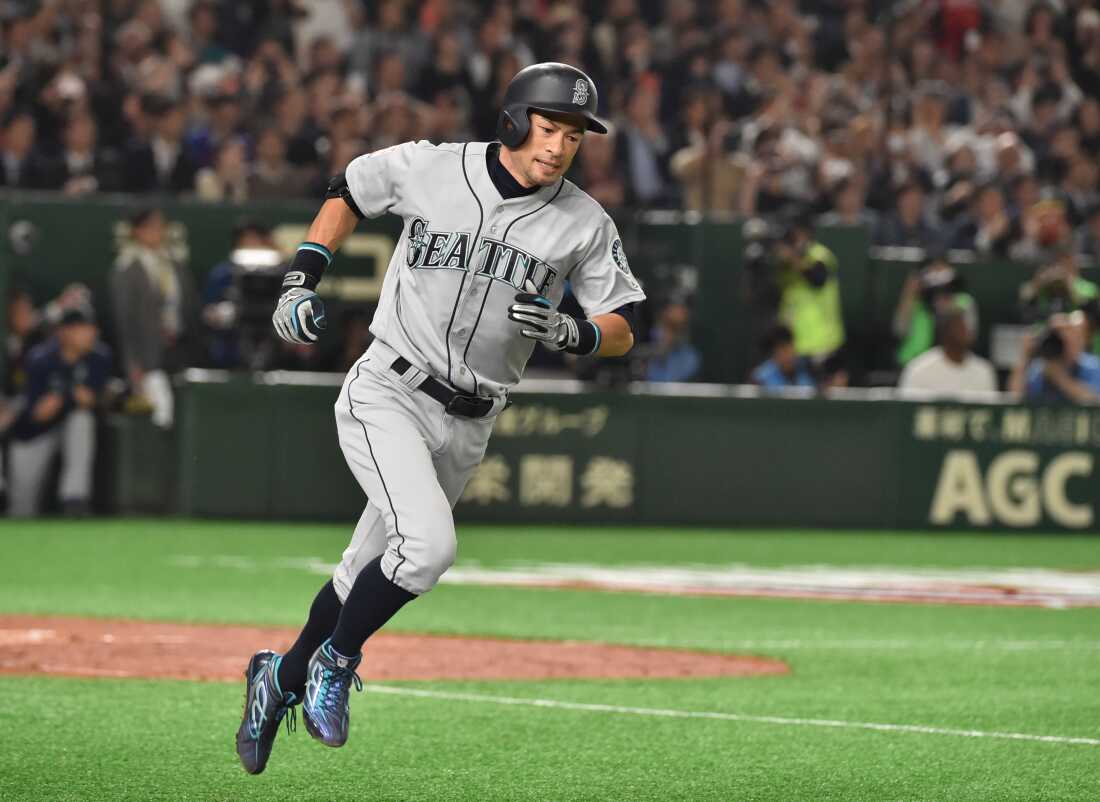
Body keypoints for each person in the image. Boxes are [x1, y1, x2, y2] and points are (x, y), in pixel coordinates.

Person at [235, 62, 645, 774]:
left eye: (574, 135)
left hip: (472, 420)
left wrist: (575, 333)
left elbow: (624, 323)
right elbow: (349, 190)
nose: (559, 145)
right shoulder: (434, 169)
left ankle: (281, 675)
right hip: (388, 388)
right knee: (426, 549)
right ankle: (338, 659)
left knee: (361, 570)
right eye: (549, 127)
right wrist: (303, 274)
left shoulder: (583, 220)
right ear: (515, 120)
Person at [6, 305, 111, 517]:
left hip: (69, 425)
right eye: (82, 328)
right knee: (21, 509)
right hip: (33, 433)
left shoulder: (99, 357)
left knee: (82, 420)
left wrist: (66, 398)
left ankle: (74, 498)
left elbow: (93, 399)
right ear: (64, 332)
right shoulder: (40, 359)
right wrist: (71, 397)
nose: (91, 333)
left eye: (91, 328)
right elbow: (36, 414)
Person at [109, 207, 199, 428]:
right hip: (148, 356)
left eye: (161, 226)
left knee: (185, 413)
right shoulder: (127, 268)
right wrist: (133, 366)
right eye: (152, 227)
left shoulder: (176, 264)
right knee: (159, 414)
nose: (158, 232)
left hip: (181, 350)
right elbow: (124, 322)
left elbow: (188, 307)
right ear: (137, 231)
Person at [774, 213, 845, 362]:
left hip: (821, 341)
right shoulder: (783, 261)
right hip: (794, 342)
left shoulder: (820, 255)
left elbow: (818, 279)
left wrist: (793, 259)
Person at [897, 302, 998, 399]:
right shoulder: (919, 370)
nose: (967, 330)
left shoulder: (984, 371)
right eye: (960, 326)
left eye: (967, 326)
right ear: (945, 332)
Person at [893, 259, 978, 367]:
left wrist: (949, 310)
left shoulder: (964, 302)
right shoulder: (916, 302)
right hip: (913, 362)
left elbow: (970, 338)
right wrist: (909, 295)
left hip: (951, 365)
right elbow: (899, 330)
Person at [1008, 311, 1100, 404]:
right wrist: (1025, 356)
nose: (1061, 339)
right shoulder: (1040, 367)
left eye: (1067, 333)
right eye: (1057, 334)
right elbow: (1015, 398)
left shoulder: (1092, 366)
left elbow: (1094, 400)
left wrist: (1060, 377)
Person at [644, 301, 701, 382]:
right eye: (668, 325)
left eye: (676, 329)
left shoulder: (690, 359)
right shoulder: (641, 346)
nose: (670, 334)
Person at [751, 323, 815, 391]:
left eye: (790, 348)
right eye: (783, 350)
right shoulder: (759, 379)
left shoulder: (810, 370)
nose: (788, 355)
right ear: (773, 354)